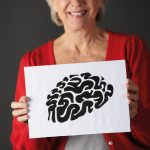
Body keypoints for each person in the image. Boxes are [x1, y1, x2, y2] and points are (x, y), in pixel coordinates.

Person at [10, 0, 150, 149]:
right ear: (53, 2)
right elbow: (23, 147)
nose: (76, 2)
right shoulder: (34, 62)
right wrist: (29, 125)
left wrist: (137, 114)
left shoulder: (131, 49)